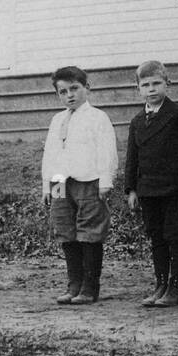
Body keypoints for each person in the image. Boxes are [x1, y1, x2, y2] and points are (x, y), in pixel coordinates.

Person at [41, 66, 119, 305]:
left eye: (74, 88)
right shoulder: (57, 120)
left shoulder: (97, 117)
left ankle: (89, 286)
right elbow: (50, 153)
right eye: (63, 92)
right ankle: (73, 283)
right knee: (65, 229)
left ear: (87, 87)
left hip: (89, 181)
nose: (69, 96)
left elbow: (107, 152)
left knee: (90, 231)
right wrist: (47, 185)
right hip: (60, 182)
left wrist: (105, 181)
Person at [125, 60, 178, 308]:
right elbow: (132, 158)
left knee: (175, 236)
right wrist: (131, 188)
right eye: (145, 85)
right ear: (138, 89)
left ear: (167, 84)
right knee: (156, 237)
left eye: (157, 83)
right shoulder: (137, 121)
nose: (151, 89)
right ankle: (160, 284)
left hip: (176, 189)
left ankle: (174, 286)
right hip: (148, 189)